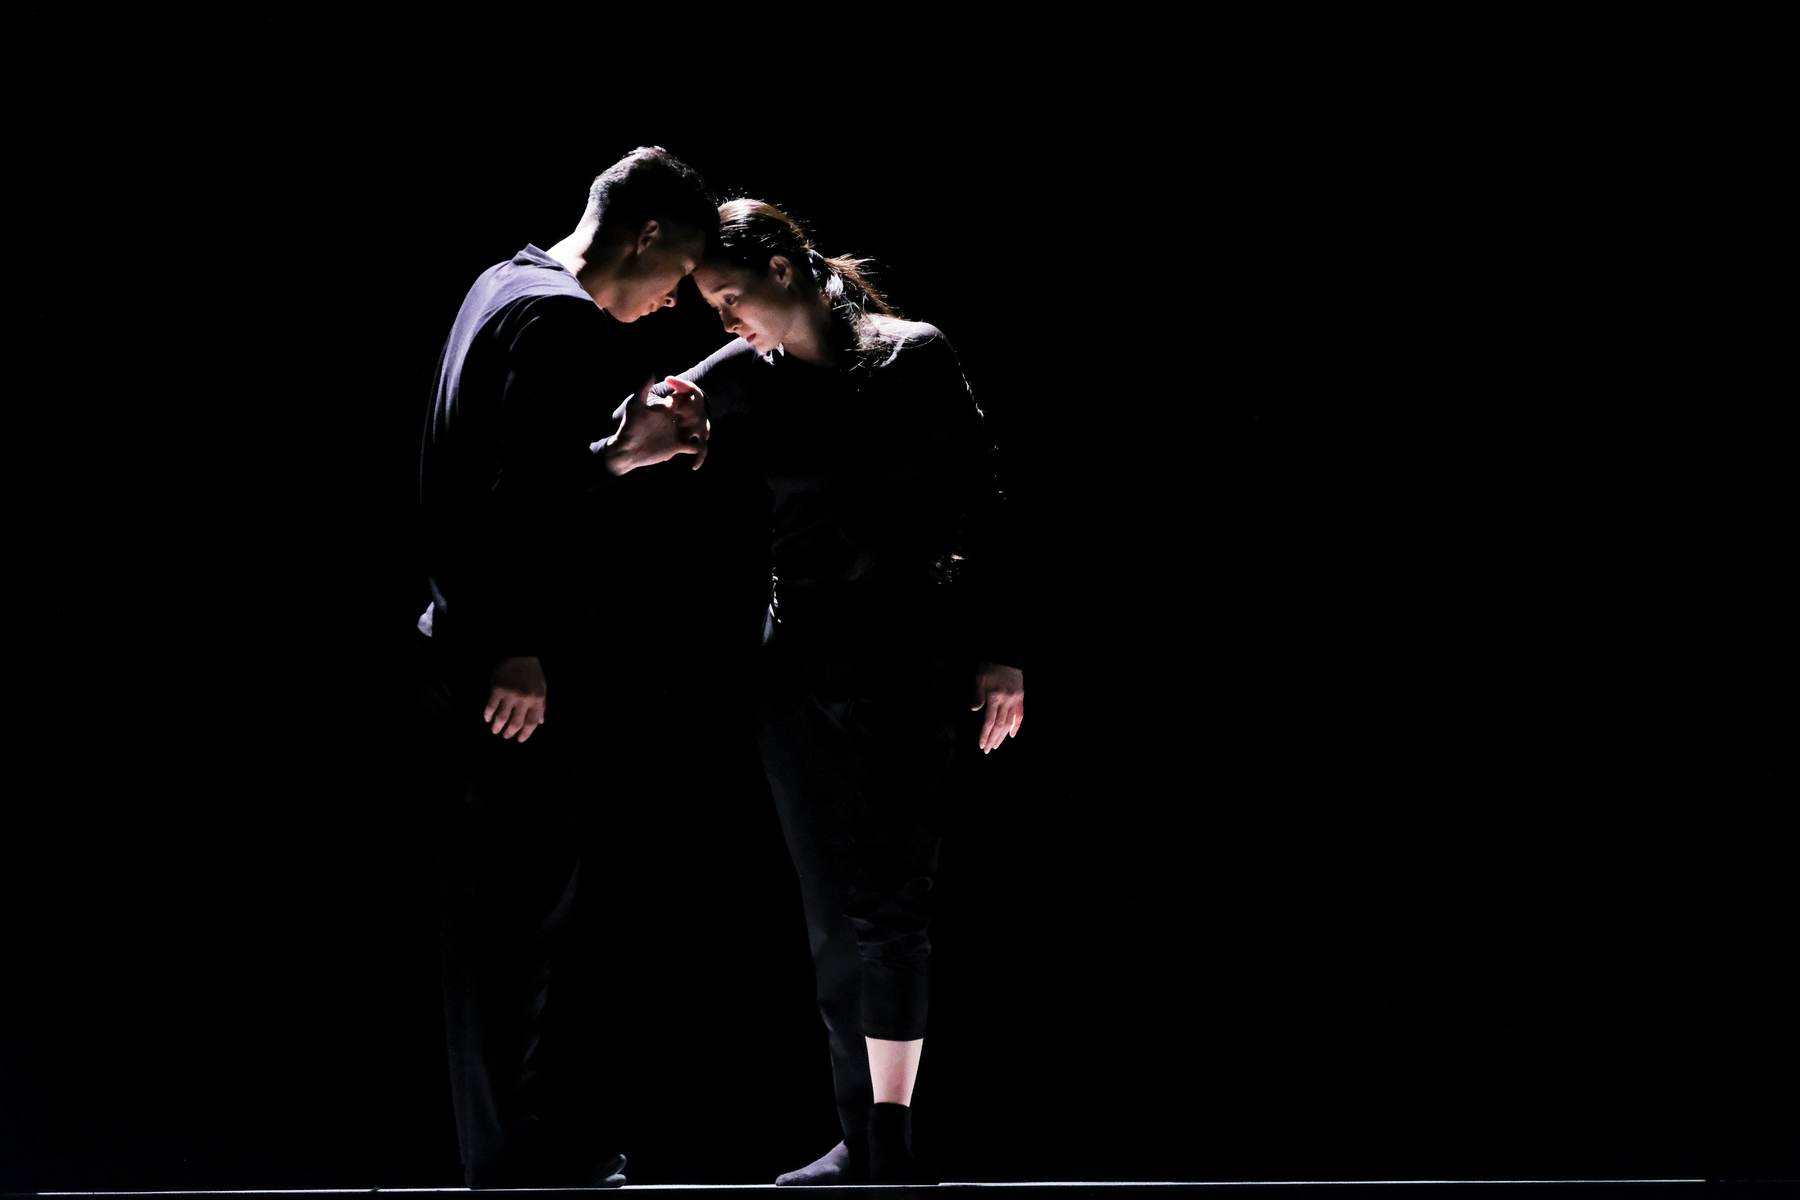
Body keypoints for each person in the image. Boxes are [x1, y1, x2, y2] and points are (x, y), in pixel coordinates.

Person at [659, 199, 1025, 1185]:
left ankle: (893, 1140)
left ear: (781, 268)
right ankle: (861, 1138)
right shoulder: (747, 372)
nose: (727, 320)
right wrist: (661, 424)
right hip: (799, 668)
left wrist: (1000, 654)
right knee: (831, 916)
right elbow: (652, 410)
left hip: (910, 658)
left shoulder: (915, 355)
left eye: (732, 297)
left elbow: (983, 499)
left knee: (892, 903)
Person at [416, 146, 717, 1188]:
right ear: (641, 239)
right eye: (676, 279)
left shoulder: (503, 280)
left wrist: (612, 454)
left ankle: (509, 1146)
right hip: (508, 661)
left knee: (498, 920)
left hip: (470, 644)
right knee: (514, 920)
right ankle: (512, 1161)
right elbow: (511, 498)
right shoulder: (558, 319)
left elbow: (502, 469)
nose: (671, 304)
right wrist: (519, 644)